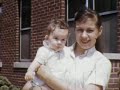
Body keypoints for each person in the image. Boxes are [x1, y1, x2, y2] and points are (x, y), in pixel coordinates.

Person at [36, 7, 112, 90]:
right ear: (74, 30)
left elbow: (42, 73)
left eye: (90, 30)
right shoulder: (58, 51)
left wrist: (46, 77)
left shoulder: (102, 62)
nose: (84, 35)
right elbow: (31, 83)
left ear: (99, 31)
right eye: (80, 30)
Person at [22, 18, 70, 90]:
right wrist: (30, 71)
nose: (59, 42)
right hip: (43, 84)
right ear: (47, 38)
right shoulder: (45, 50)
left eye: (63, 39)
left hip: (58, 83)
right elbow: (36, 62)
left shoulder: (65, 50)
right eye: (56, 38)